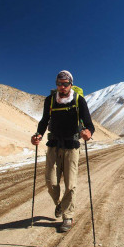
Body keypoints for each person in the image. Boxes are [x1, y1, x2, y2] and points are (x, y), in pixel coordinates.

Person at [31, 70, 95, 232]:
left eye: (65, 84)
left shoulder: (79, 100)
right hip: (53, 145)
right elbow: (44, 121)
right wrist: (38, 134)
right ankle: (59, 205)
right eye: (59, 84)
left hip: (72, 145)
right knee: (51, 182)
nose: (62, 87)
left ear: (71, 84)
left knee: (70, 184)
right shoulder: (50, 100)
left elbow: (89, 123)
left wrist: (88, 132)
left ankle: (68, 216)